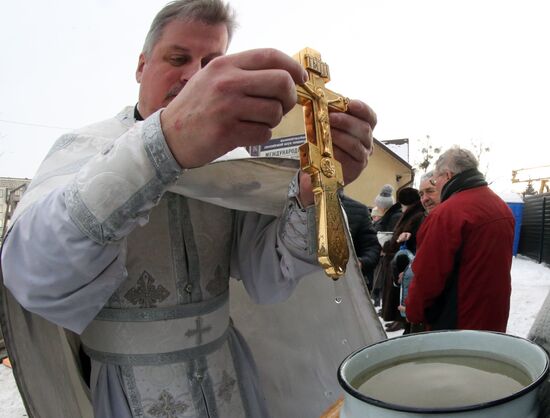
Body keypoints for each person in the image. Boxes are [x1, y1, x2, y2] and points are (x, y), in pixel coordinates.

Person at [0, 1, 377, 417]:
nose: (194, 76)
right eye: (178, 58)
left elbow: (269, 275)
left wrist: (310, 192)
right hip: (132, 390)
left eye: (212, 62)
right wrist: (162, 147)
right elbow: (34, 271)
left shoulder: (230, 160)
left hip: (230, 376)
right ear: (142, 67)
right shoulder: (84, 149)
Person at [405, 146, 514, 332]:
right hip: (493, 319)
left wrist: (413, 313)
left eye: (435, 179)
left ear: (447, 176)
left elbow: (428, 276)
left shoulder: (447, 214)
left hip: (457, 325)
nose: (435, 183)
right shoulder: (501, 207)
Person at [380, 187, 425, 332]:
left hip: (403, 261)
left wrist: (389, 245)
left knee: (401, 294)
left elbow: (406, 238)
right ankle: (399, 320)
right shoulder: (412, 214)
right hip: (399, 259)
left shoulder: (416, 216)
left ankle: (402, 320)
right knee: (396, 293)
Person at [340, 193, 381, 290]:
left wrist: (360, 263)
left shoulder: (359, 209)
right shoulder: (299, 208)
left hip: (347, 284)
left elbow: (372, 247)